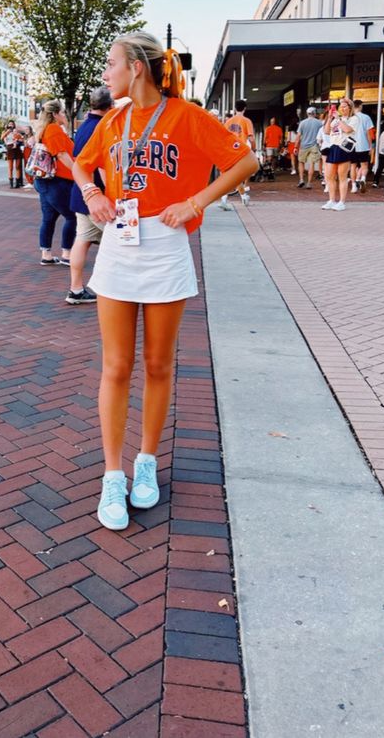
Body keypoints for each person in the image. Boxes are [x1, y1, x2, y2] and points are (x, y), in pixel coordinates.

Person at [73, 32, 257, 531]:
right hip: (119, 244)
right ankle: (114, 473)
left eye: (110, 64)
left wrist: (197, 201)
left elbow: (246, 161)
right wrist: (92, 194)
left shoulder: (187, 116)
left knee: (157, 364)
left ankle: (147, 461)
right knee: (115, 366)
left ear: (136, 67)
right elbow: (80, 162)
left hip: (165, 246)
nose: (105, 74)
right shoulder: (112, 120)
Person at [66, 86, 114, 305]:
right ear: (110, 105)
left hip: (81, 193)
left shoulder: (83, 127)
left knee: (82, 240)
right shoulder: (104, 126)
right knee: (120, 243)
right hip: (98, 197)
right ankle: (115, 290)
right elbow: (103, 166)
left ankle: (75, 289)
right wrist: (111, 195)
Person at [33, 100, 76, 265]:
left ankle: (46, 254)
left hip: (47, 180)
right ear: (55, 114)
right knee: (71, 216)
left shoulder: (46, 130)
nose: (65, 115)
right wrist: (77, 172)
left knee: (49, 218)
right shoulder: (54, 130)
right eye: (63, 112)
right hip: (57, 181)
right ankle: (67, 254)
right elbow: (62, 155)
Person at [220, 99, 255, 209]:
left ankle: (226, 197)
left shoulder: (228, 121)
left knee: (229, 175)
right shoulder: (247, 121)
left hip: (228, 151)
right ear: (245, 108)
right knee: (237, 176)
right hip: (240, 151)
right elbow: (251, 137)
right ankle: (243, 196)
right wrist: (253, 148)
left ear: (235, 108)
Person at [322, 98, 355, 211]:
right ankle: (331, 200)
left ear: (350, 108)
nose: (342, 108)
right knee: (330, 176)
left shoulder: (353, 119)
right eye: (341, 106)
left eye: (345, 106)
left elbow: (347, 130)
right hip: (333, 146)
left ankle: (342, 202)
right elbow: (326, 131)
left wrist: (338, 118)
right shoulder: (336, 119)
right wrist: (330, 117)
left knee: (342, 176)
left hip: (344, 148)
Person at [349, 99, 374, 194]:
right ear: (360, 106)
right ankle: (363, 178)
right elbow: (368, 133)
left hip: (351, 145)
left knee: (353, 166)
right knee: (364, 165)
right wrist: (370, 146)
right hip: (363, 145)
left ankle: (353, 186)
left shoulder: (350, 117)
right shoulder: (366, 117)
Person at [295, 106, 323, 189]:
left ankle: (301, 180)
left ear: (307, 114)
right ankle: (309, 183)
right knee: (312, 163)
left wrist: (296, 147)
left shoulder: (302, 123)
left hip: (303, 145)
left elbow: (298, 136)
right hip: (314, 145)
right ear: (315, 113)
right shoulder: (319, 123)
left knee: (301, 162)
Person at [2, 120, 24, 189]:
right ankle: (11, 183)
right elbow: (2, 138)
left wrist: (19, 139)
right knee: (10, 167)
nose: (11, 125)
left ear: (14, 125)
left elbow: (22, 139)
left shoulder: (16, 132)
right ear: (8, 125)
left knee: (17, 167)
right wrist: (7, 131)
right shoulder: (5, 132)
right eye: (10, 124)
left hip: (17, 148)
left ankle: (17, 183)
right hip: (10, 148)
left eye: (12, 124)